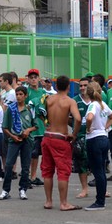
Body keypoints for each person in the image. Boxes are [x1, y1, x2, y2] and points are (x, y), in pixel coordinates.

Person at [38, 75, 82, 211]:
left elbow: (40, 113)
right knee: (63, 171)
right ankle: (63, 203)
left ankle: (48, 201)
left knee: (47, 170)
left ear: (56, 86)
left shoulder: (48, 99)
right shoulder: (69, 101)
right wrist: (74, 134)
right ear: (69, 86)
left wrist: (47, 123)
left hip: (47, 136)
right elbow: (78, 119)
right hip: (60, 138)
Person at [0, 86, 37, 201]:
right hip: (14, 140)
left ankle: (23, 189)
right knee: (9, 165)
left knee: (25, 167)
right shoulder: (11, 109)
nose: (18, 96)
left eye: (21, 94)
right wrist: (13, 136)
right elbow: (5, 127)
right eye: (17, 94)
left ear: (25, 96)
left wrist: (28, 130)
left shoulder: (29, 109)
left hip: (27, 140)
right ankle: (5, 190)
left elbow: (36, 125)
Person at [84, 81, 112, 211]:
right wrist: (104, 127)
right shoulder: (102, 104)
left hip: (95, 139)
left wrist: (88, 128)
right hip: (104, 138)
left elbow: (89, 118)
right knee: (101, 171)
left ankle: (99, 201)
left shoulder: (93, 105)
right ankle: (101, 198)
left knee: (98, 172)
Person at [25, 69, 47, 187]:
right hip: (30, 128)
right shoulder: (26, 92)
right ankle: (26, 176)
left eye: (35, 77)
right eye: (31, 77)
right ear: (28, 79)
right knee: (29, 153)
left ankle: (33, 176)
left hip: (41, 127)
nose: (33, 79)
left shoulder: (43, 92)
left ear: (39, 79)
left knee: (36, 154)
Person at [72, 77, 92, 199]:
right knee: (81, 164)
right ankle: (84, 189)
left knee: (97, 163)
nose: (83, 88)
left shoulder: (96, 100)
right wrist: (75, 130)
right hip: (80, 137)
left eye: (85, 85)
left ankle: (102, 188)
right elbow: (69, 118)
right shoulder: (74, 101)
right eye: (81, 86)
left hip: (93, 136)